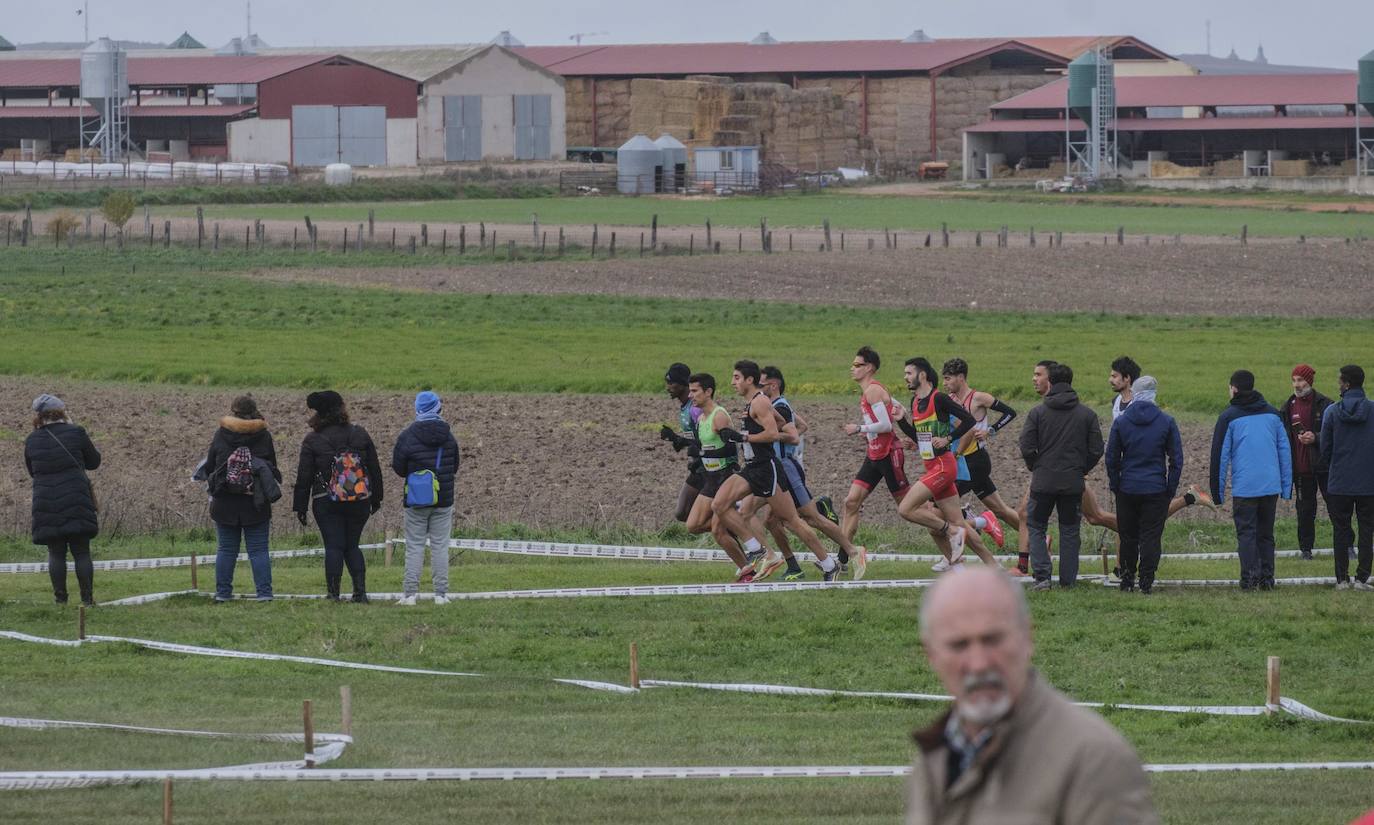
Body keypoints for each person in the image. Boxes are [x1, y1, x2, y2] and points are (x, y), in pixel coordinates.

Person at [906, 567, 1157, 825]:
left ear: (1028, 637)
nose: (978, 663)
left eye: (993, 640)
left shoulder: (1096, 761)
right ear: (931, 655)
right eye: (959, 645)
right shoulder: (936, 755)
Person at [710, 360, 840, 583]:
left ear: (749, 380)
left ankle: (829, 564)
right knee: (719, 504)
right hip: (752, 468)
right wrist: (787, 430)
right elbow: (786, 428)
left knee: (794, 521)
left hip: (767, 469)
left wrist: (743, 437)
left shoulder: (759, 403)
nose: (732, 382)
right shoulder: (755, 403)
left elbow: (771, 433)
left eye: (737, 378)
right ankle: (755, 549)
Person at [759, 365, 866, 581]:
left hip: (786, 469)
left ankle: (854, 552)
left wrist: (780, 441)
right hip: (778, 468)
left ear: (774, 384)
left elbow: (797, 432)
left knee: (811, 517)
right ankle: (793, 566)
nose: (760, 389)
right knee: (771, 521)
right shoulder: (776, 405)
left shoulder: (780, 406)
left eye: (762, 384)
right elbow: (803, 426)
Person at [893, 357, 985, 568]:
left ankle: (956, 532)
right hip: (933, 466)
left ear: (922, 375)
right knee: (958, 523)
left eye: (908, 373)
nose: (905, 377)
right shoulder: (915, 402)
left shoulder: (940, 399)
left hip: (944, 466)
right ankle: (987, 566)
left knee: (907, 509)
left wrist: (949, 439)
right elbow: (919, 436)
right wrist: (901, 421)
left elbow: (970, 421)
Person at [292, 391, 384, 603]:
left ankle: (333, 594)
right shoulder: (359, 433)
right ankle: (360, 593)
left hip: (326, 499)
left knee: (333, 546)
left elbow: (304, 476)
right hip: (359, 500)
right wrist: (376, 498)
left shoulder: (313, 439)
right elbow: (374, 469)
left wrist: (300, 507)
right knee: (352, 545)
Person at [1018, 363, 1104, 590]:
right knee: (1069, 530)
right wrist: (1082, 468)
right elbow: (1096, 449)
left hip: (1043, 481)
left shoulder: (1037, 413)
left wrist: (1036, 466)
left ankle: (1042, 577)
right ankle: (1068, 581)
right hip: (1072, 482)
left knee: (1036, 526)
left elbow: (1026, 445)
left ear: (1052, 382)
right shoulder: (1087, 414)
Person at [1210, 370, 1291, 591]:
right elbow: (1285, 451)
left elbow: (1220, 456)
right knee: (1266, 534)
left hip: (1245, 489)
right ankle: (1267, 579)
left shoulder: (1228, 417)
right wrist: (1286, 488)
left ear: (1234, 389)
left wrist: (1217, 493)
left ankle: (1249, 579)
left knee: (1246, 534)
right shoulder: (1274, 414)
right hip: (1270, 487)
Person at [1105, 376, 1182, 594]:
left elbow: (1111, 457)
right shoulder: (1166, 421)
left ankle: (1127, 577)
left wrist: (1116, 483)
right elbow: (1176, 459)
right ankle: (1147, 579)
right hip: (1156, 488)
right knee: (1151, 535)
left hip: (1127, 487)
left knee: (1128, 535)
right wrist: (1170, 488)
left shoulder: (1121, 421)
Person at [24, 394, 101, 606]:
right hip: (76, 498)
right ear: (62, 412)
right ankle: (87, 600)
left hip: (46, 501)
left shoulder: (32, 440)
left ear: (39, 416)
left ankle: (61, 601)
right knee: (81, 551)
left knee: (55, 553)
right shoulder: (76, 432)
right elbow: (94, 462)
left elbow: (32, 471)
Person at [202, 395, 279, 602]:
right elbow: (272, 467)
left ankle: (223, 594)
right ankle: (264, 594)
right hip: (256, 502)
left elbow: (210, 465)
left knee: (226, 550)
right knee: (259, 550)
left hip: (225, 503)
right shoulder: (263, 435)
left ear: (233, 411)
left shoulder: (221, 434)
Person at [840, 346, 906, 578]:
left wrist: (860, 428)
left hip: (888, 455)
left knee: (911, 508)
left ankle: (965, 521)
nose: (852, 368)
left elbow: (887, 425)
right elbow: (898, 408)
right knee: (851, 502)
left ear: (869, 368)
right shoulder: (872, 391)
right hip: (874, 454)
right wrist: (869, 432)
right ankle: (844, 559)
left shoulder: (873, 391)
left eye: (857, 365)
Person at [940, 358, 1018, 549]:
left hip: (975, 460)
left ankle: (979, 523)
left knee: (943, 503)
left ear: (961, 377)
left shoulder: (978, 398)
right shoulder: (949, 400)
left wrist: (990, 430)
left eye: (948, 378)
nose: (945, 383)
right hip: (962, 462)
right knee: (1000, 509)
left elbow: (1010, 413)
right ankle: (1038, 538)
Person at [392, 391, 461, 605]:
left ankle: (410, 595)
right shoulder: (449, 436)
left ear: (417, 409)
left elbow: (399, 468)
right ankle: (441, 595)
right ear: (439, 408)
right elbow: (455, 466)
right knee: (440, 546)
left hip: (416, 499)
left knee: (414, 546)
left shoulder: (407, 435)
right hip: (443, 499)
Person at [685, 372, 751, 581]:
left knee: (717, 531)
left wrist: (704, 453)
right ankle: (735, 526)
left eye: (694, 391)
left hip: (725, 476)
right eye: (690, 390)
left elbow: (731, 451)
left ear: (708, 392)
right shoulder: (701, 418)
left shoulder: (719, 415)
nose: (690, 395)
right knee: (693, 525)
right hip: (710, 479)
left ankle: (748, 571)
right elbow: (705, 448)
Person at [1320, 365, 1374, 591]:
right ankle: (1362, 578)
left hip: (1339, 482)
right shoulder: (1372, 409)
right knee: (1366, 530)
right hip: (1369, 482)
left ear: (1347, 383)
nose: (1337, 384)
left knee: (1341, 530)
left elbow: (1325, 449)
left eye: (1339, 380)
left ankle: (1342, 578)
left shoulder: (1332, 411)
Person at [1280, 364, 1335, 561]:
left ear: (1309, 381)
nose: (1297, 384)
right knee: (1304, 512)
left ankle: (1346, 546)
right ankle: (1306, 550)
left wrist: (1316, 438)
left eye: (1301, 380)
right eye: (1294, 380)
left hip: (1325, 467)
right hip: (1301, 468)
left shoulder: (1326, 404)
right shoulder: (1288, 407)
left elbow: (1336, 434)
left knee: (1335, 507)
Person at [658, 363, 705, 524]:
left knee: (684, 512)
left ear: (683, 383)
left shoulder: (695, 408)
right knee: (682, 513)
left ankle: (729, 523)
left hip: (709, 466)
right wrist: (677, 440)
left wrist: (681, 440)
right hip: (699, 465)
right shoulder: (685, 407)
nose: (668, 387)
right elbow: (694, 439)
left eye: (671, 383)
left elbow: (709, 438)